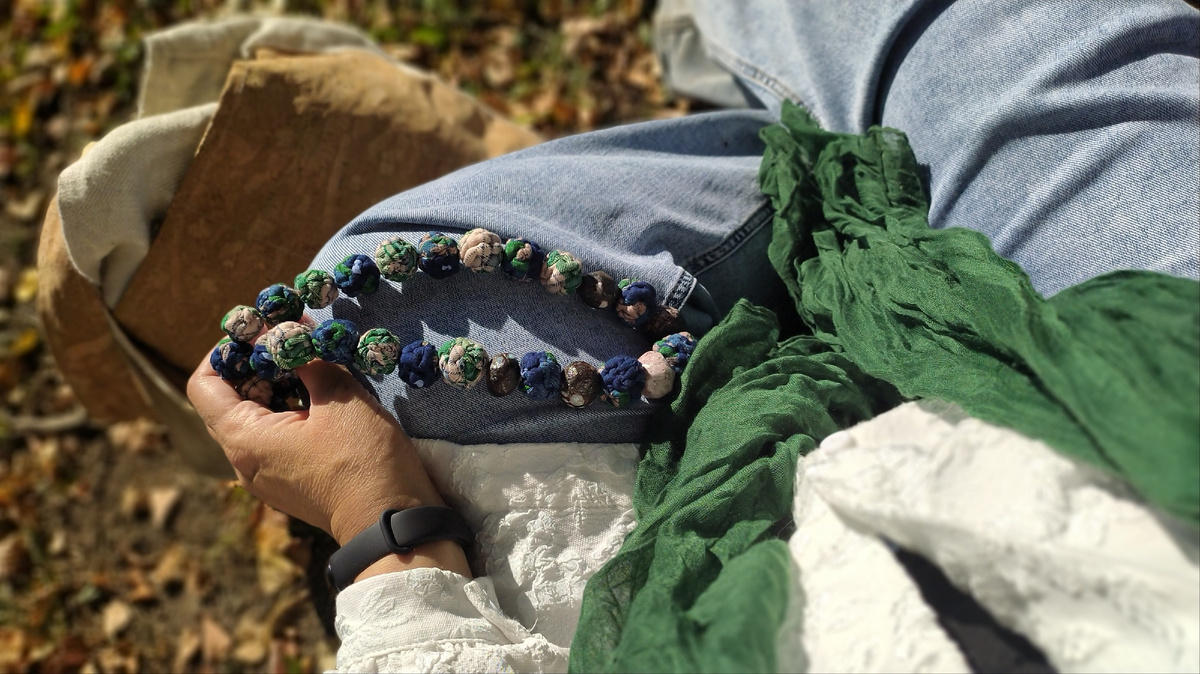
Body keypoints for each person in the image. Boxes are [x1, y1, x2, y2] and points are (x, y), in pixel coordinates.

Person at [187, 0, 1200, 670]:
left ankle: (746, 102)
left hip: (713, 585)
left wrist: (379, 522)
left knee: (375, 311)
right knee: (985, 32)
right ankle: (767, 98)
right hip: (1152, 399)